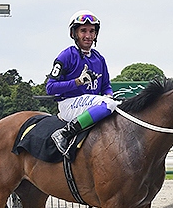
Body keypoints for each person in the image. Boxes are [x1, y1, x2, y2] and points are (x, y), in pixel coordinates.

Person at [46, 11, 119, 155]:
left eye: (92, 31)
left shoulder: (99, 58)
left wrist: (108, 95)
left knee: (116, 105)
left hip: (91, 104)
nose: (88, 36)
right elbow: (50, 88)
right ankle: (64, 133)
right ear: (74, 34)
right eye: (83, 31)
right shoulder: (67, 55)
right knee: (108, 105)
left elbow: (106, 86)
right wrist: (77, 82)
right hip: (69, 104)